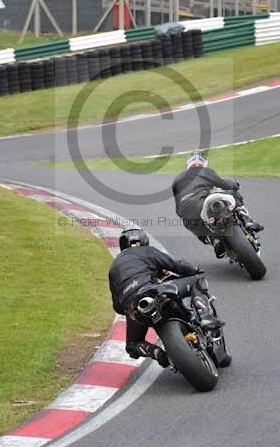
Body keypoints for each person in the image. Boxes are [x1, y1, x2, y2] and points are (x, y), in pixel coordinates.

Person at [109, 227, 225, 367]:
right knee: (196, 281)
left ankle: (156, 353)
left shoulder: (113, 267)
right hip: (153, 290)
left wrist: (130, 309)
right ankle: (205, 315)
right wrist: (193, 270)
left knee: (132, 345)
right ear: (145, 241)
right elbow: (176, 265)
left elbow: (117, 306)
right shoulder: (147, 251)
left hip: (133, 305)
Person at [172, 152, 264, 249]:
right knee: (232, 193)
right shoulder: (205, 171)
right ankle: (246, 220)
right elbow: (222, 183)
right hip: (202, 200)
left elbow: (178, 207)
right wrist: (235, 185)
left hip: (187, 214)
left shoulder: (177, 179)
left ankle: (214, 241)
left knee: (197, 227)